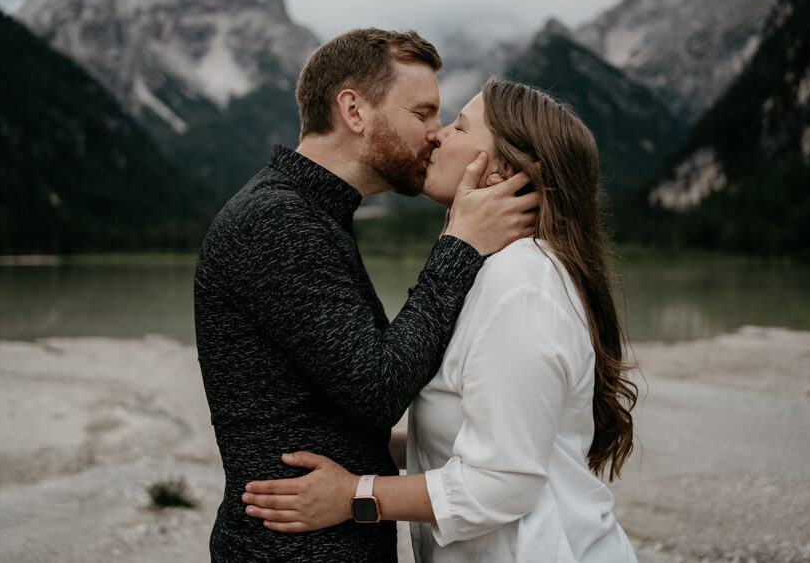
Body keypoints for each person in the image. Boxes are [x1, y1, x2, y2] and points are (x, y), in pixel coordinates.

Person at [240, 79, 639, 562]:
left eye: (459, 125)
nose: (438, 136)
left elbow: (503, 481)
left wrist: (354, 496)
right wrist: (348, 444)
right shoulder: (492, 269)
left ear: (503, 171)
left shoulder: (521, 285)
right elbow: (463, 435)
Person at [193, 30, 540, 561]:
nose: (435, 134)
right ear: (354, 110)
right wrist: (460, 244)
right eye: (423, 113)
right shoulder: (278, 220)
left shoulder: (313, 212)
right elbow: (378, 387)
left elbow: (344, 407)